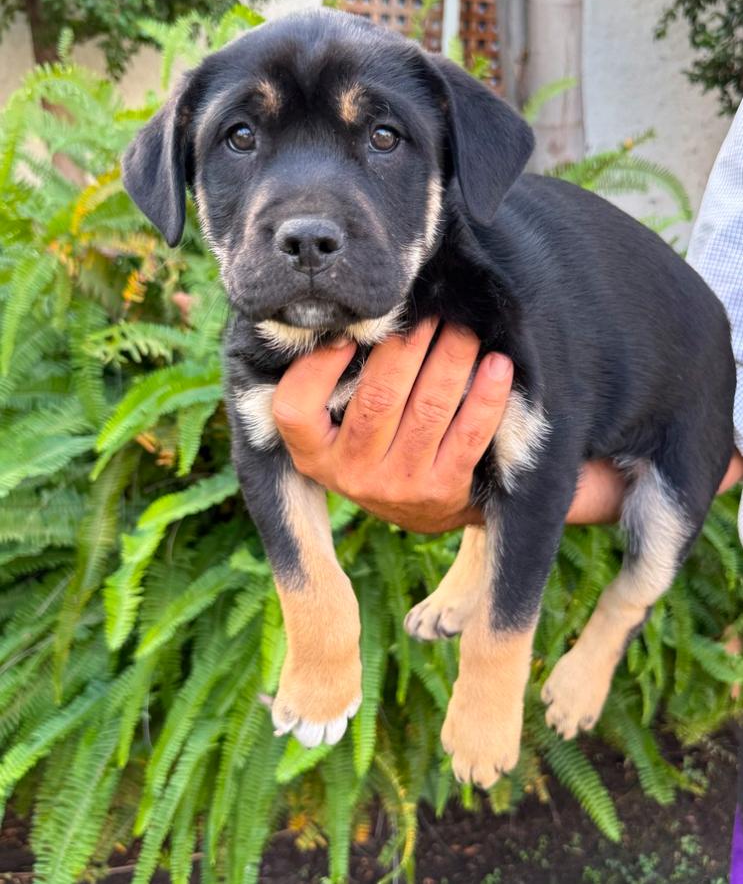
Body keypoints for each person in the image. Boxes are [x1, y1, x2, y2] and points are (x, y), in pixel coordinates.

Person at [270, 105, 743, 880]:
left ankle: (609, 630)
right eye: (245, 140)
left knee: (643, 543)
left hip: (677, 408)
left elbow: (709, 428)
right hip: (670, 357)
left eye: (381, 140)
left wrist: (494, 671)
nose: (308, 217)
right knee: (496, 440)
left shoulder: (499, 296)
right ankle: (477, 548)